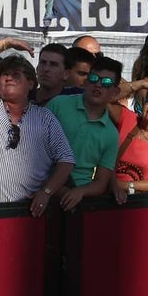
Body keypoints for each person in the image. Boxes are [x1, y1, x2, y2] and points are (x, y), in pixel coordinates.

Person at [0, 37, 74, 225]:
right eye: (5, 75)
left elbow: (66, 160)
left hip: (28, 217)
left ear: (30, 83)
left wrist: (46, 192)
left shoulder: (45, 117)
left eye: (16, 74)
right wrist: (7, 43)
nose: (9, 78)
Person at [45, 57, 121, 211]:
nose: (98, 85)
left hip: (78, 201)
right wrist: (52, 188)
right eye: (93, 78)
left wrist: (81, 191)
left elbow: (101, 182)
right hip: (42, 186)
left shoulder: (111, 134)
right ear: (86, 82)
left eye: (106, 82)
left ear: (115, 92)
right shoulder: (58, 104)